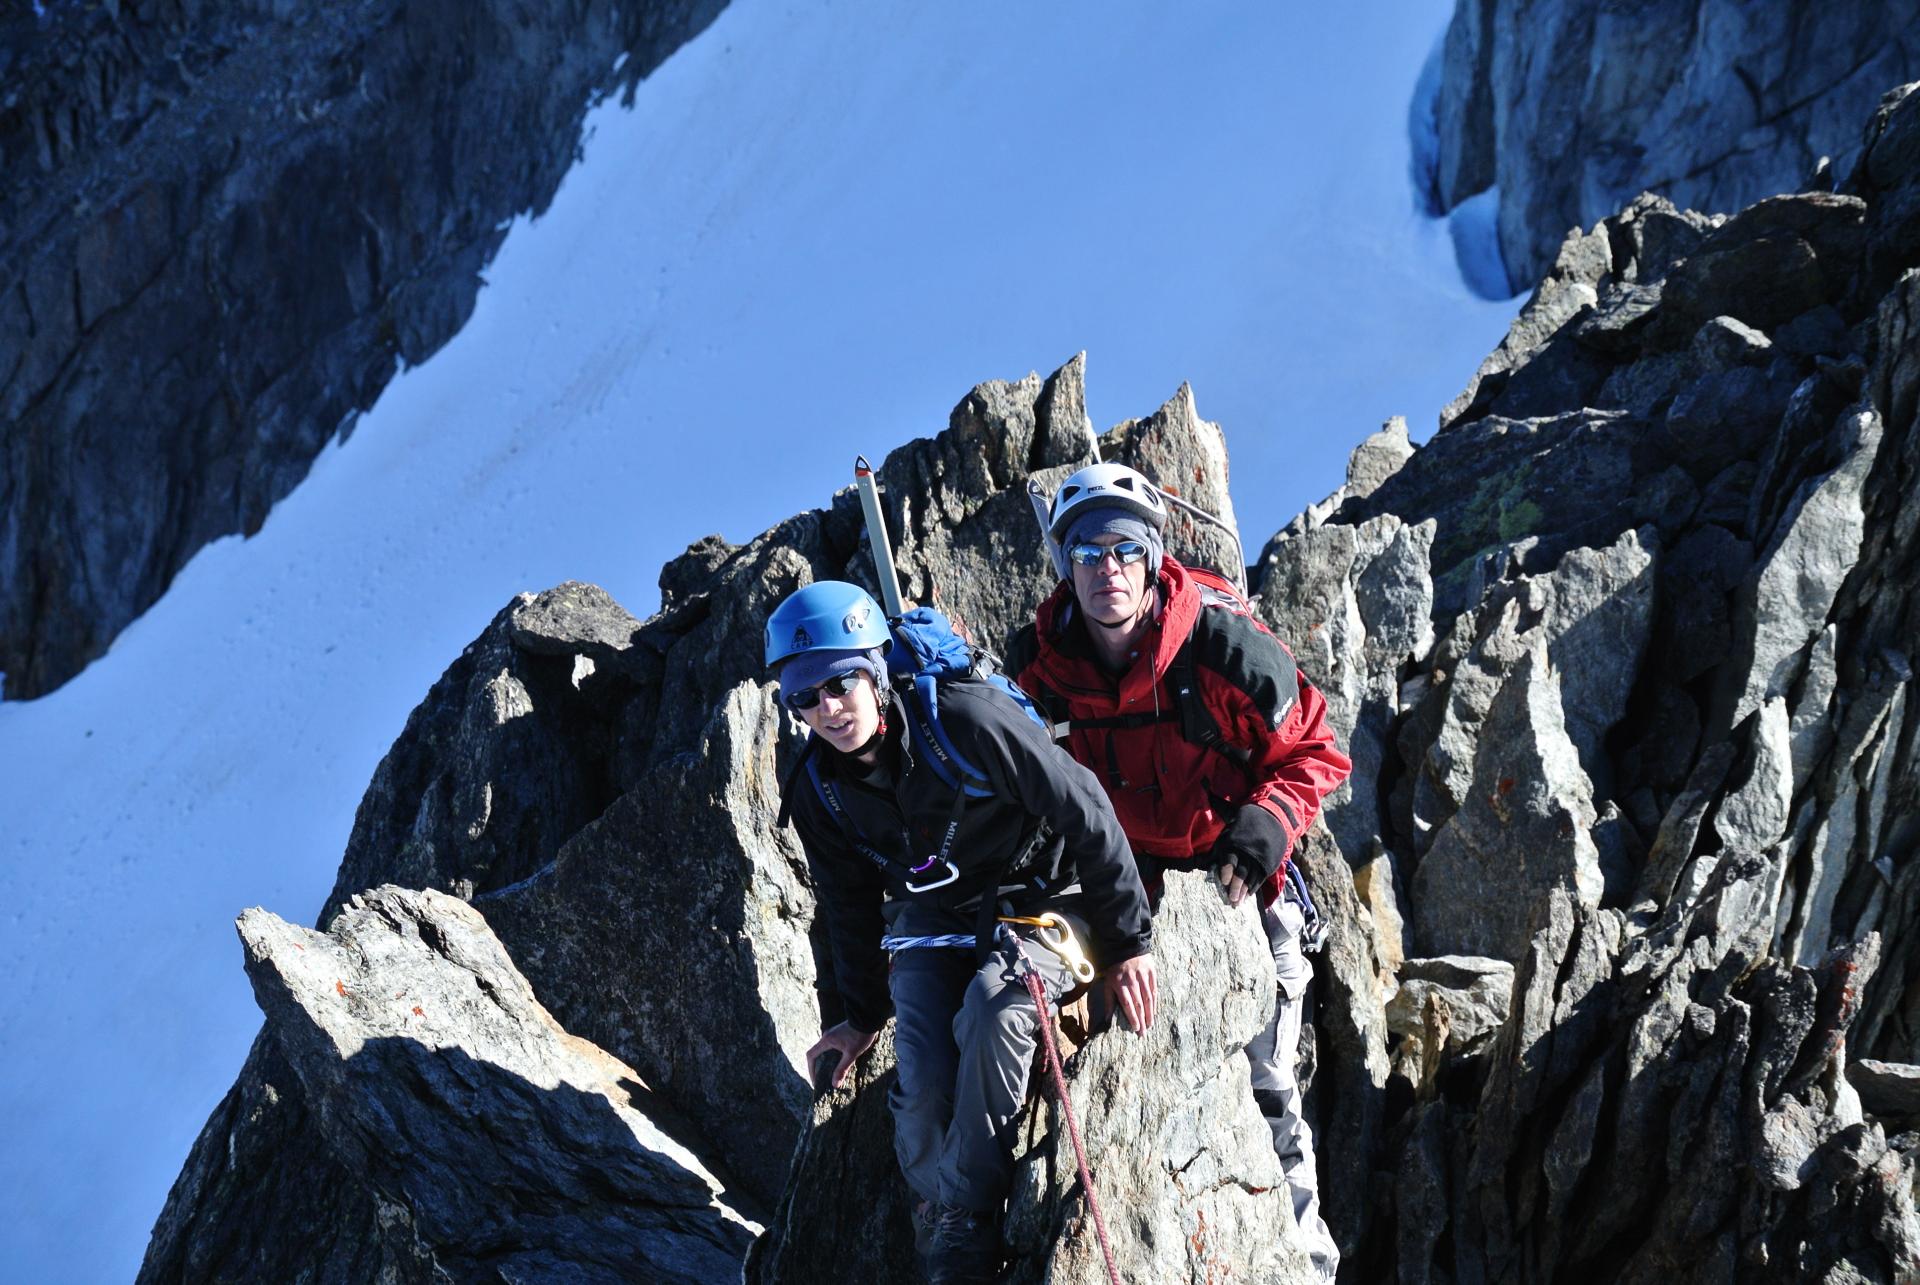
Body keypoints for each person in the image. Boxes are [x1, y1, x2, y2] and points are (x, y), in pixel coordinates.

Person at [1005, 462, 1352, 1281]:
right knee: (1022, 1001)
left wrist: (1264, 828)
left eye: (1125, 548)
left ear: (1154, 556)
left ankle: (1306, 1261)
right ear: (1065, 564)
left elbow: (1317, 748)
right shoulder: (1042, 667)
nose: (1107, 568)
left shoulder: (1224, 649)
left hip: (1235, 876)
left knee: (1266, 1072)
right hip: (1119, 883)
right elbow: (997, 767)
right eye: (1087, 551)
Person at [769, 580, 1156, 1285]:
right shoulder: (819, 789)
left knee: (996, 1010)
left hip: (1045, 893)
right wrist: (856, 1019)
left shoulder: (966, 720)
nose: (826, 708)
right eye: (804, 695)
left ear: (875, 671)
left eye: (839, 682)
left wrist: (1129, 943)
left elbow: (1086, 807)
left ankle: (964, 1232)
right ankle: (940, 1207)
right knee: (919, 1072)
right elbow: (848, 905)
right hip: (936, 914)